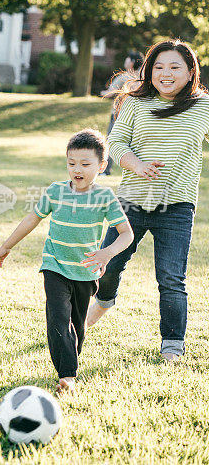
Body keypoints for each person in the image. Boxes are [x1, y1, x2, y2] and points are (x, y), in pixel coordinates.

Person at [85, 40, 209, 362]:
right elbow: (116, 142)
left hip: (177, 207)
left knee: (171, 277)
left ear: (190, 70)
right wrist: (137, 165)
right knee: (108, 265)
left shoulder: (203, 107)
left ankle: (172, 345)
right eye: (158, 67)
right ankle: (104, 300)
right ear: (150, 70)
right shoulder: (136, 104)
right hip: (130, 202)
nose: (166, 74)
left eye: (174, 67)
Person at [0, 129, 133, 393]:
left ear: (101, 166)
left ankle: (70, 361)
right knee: (57, 318)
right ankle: (67, 375)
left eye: (85, 164)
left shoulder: (104, 198)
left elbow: (127, 235)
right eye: (71, 163)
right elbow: (32, 219)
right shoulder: (56, 191)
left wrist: (106, 253)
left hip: (86, 272)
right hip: (54, 266)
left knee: (77, 327)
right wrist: (5, 246)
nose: (77, 169)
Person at [100, 51, 143, 175]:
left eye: (127, 59)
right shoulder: (144, 79)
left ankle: (105, 170)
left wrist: (103, 93)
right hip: (137, 117)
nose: (125, 61)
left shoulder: (123, 77)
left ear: (132, 62)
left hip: (118, 115)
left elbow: (110, 92)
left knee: (112, 141)